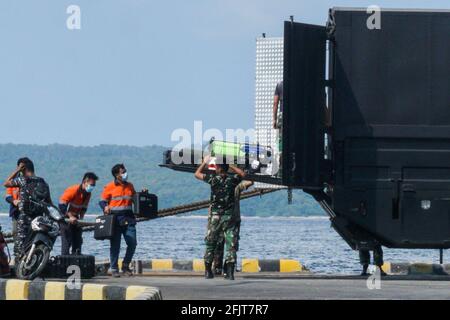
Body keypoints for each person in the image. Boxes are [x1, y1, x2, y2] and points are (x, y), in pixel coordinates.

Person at [195, 155, 246, 280]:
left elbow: (197, 174)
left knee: (211, 243)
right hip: (229, 217)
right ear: (226, 168)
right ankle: (229, 273)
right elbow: (243, 174)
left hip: (215, 217)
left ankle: (207, 271)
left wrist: (204, 162)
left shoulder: (213, 179)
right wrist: (231, 166)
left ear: (217, 167)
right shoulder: (232, 180)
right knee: (231, 245)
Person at [3, 159, 52, 261]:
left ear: (23, 168)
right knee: (33, 242)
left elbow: (6, 183)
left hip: (24, 218)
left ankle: (19, 267)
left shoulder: (22, 180)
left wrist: (17, 170)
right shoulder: (43, 182)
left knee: (20, 246)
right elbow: (49, 202)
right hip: (38, 219)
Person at [99, 164, 138, 278]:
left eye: (125, 171)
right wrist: (105, 207)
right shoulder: (110, 186)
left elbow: (136, 199)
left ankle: (125, 266)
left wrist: (143, 194)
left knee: (132, 243)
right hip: (115, 220)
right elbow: (102, 201)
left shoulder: (130, 186)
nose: (125, 173)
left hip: (129, 219)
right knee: (115, 245)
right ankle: (114, 268)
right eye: (122, 172)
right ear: (117, 175)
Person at [212, 179, 254, 276]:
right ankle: (225, 268)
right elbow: (249, 182)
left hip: (223, 220)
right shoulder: (235, 187)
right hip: (230, 220)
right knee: (229, 245)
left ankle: (221, 268)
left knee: (223, 244)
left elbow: (249, 182)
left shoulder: (219, 185)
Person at [59, 172, 98, 255]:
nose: (92, 187)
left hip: (76, 220)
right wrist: (70, 216)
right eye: (91, 184)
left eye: (94, 185)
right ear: (84, 182)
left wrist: (81, 219)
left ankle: (75, 262)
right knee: (67, 243)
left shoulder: (88, 194)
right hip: (66, 219)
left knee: (78, 243)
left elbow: (83, 208)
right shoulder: (73, 190)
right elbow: (62, 206)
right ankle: (64, 264)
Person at [4, 158, 32, 239]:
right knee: (16, 234)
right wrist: (14, 201)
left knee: (28, 236)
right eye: (21, 167)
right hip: (16, 212)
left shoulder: (31, 180)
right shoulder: (14, 180)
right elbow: (8, 196)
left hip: (28, 213)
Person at [273, 80, 283, 176]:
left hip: (282, 115)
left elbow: (275, 103)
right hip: (295, 115)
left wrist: (274, 120)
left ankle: (280, 168)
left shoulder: (279, 85)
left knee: (281, 141)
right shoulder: (297, 83)